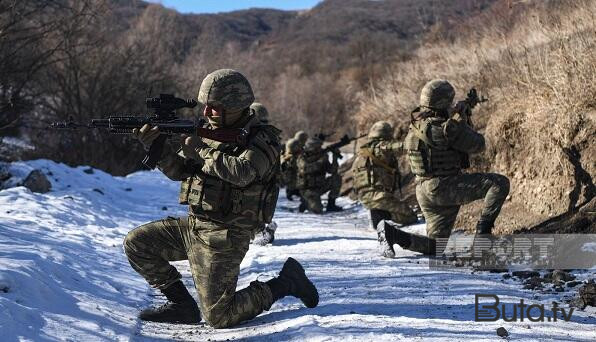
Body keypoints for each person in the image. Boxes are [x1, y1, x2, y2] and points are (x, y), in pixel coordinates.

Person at [124, 69, 318, 328]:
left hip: (226, 235)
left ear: (236, 106)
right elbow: (181, 171)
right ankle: (181, 305)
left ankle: (287, 282)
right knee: (137, 243)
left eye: (214, 108)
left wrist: (201, 150)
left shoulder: (263, 140)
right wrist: (155, 149)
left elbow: (244, 173)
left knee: (220, 317)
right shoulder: (207, 131)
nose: (206, 114)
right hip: (194, 227)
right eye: (206, 107)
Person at [382, 79, 510, 255]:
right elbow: (479, 145)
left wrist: (459, 117)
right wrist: (461, 121)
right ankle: (483, 239)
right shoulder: (446, 129)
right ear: (443, 102)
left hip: (424, 191)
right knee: (499, 183)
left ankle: (393, 235)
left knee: (436, 246)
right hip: (445, 187)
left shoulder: (415, 128)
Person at [352, 120, 418, 258]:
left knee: (385, 207)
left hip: (365, 196)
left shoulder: (362, 152)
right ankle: (383, 221)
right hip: (379, 196)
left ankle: (379, 216)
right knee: (410, 217)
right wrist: (415, 139)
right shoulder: (381, 147)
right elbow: (398, 147)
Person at [296, 137, 343, 214]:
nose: (320, 149)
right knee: (317, 211)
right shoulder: (302, 157)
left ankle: (331, 205)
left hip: (320, 186)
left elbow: (332, 171)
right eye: (318, 147)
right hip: (308, 190)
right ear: (312, 147)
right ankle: (305, 202)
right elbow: (305, 169)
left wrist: (335, 158)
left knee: (336, 178)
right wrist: (321, 161)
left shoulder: (322, 156)